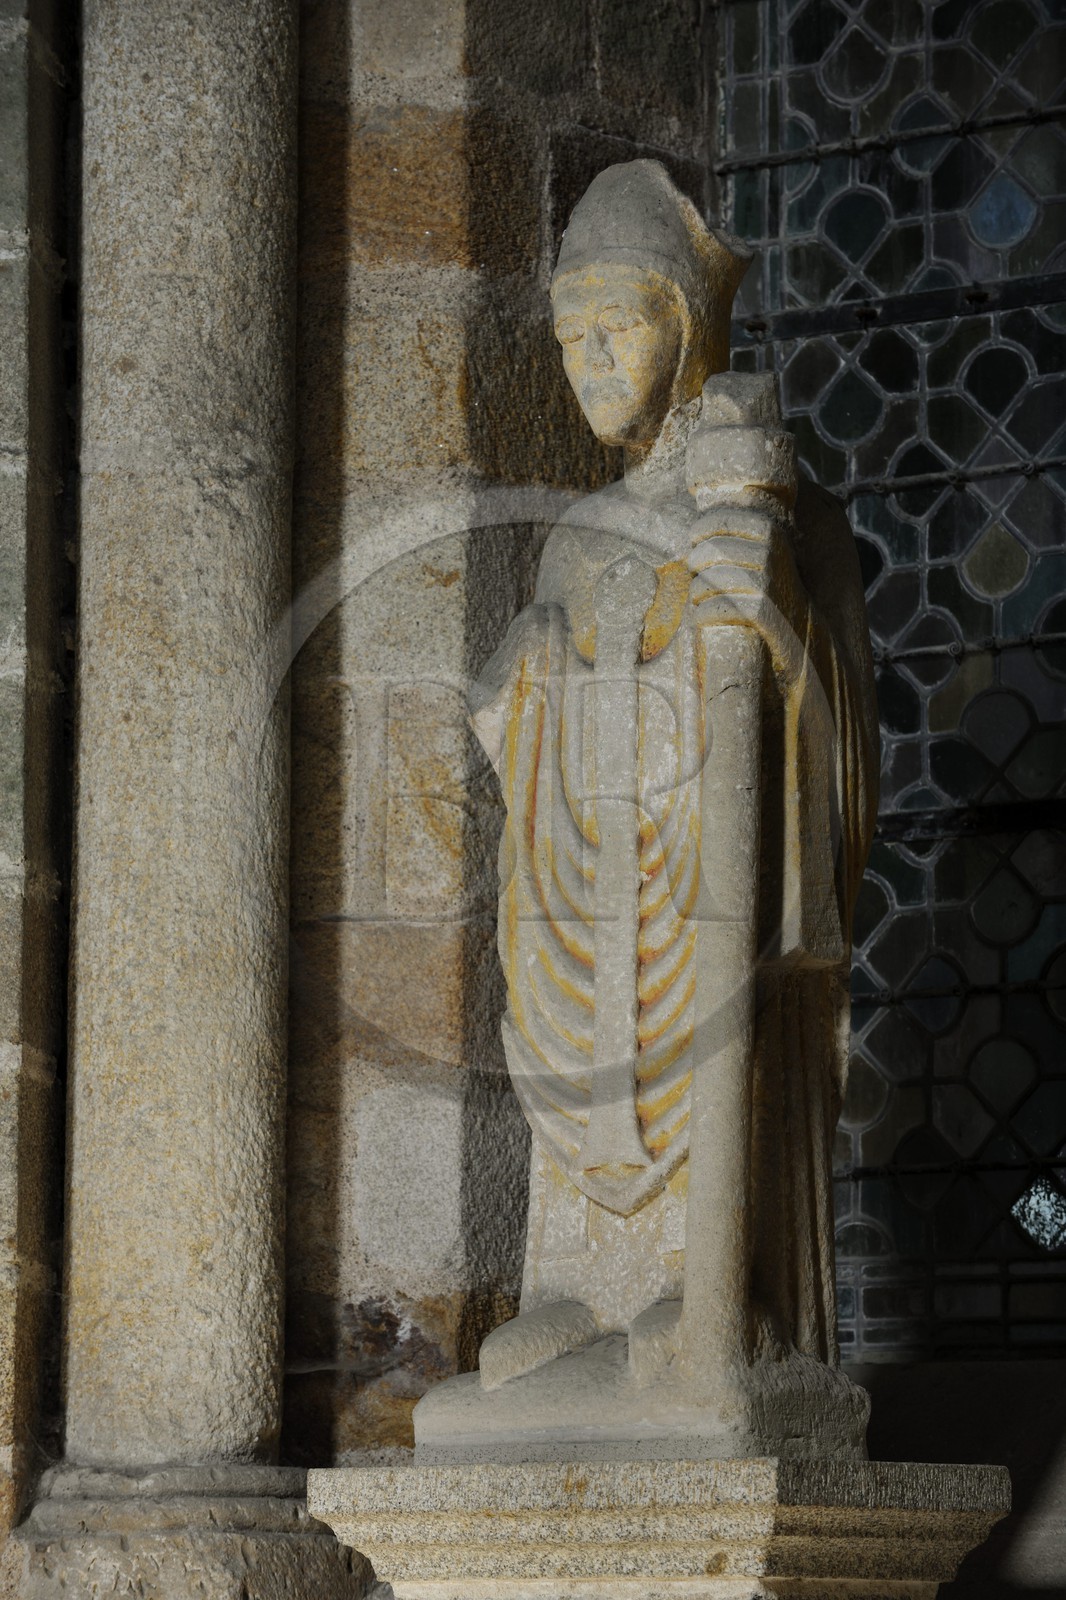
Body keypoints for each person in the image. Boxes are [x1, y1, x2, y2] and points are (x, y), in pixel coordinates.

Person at [417, 159, 879, 1459]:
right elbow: (537, 708)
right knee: (572, 1005)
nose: (588, 360)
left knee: (710, 1014)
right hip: (592, 861)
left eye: (614, 326)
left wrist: (768, 612)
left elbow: (833, 722)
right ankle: (581, 1291)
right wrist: (530, 689)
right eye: (568, 339)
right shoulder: (579, 534)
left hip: (706, 881)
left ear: (687, 327)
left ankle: (727, 1291)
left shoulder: (787, 510)